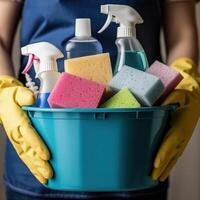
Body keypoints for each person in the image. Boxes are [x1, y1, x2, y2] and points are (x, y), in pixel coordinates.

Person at [0, 0, 200, 199]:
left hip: (135, 147)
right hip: (42, 149)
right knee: (44, 167)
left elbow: (181, 35)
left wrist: (184, 76)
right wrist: (4, 88)